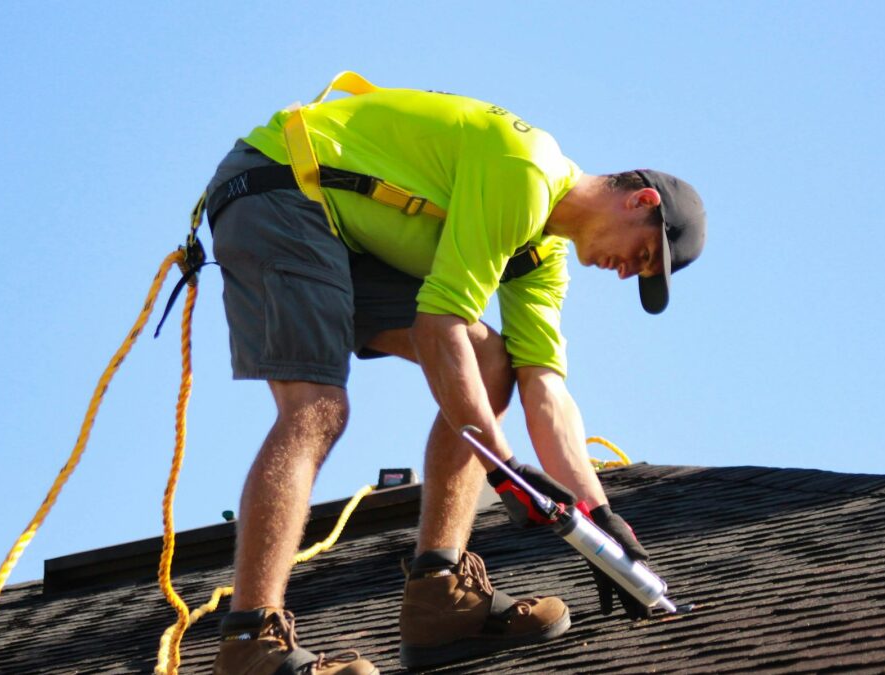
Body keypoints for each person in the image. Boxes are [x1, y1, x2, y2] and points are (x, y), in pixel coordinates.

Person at [204, 72, 706, 675]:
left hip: (346, 230)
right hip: (281, 186)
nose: (627, 272)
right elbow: (440, 325)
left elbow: (544, 389)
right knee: (316, 409)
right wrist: (504, 467)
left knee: (493, 363)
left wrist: (602, 522)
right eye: (642, 255)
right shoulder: (525, 170)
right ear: (642, 201)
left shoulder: (540, 255)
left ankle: (438, 597)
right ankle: (249, 641)